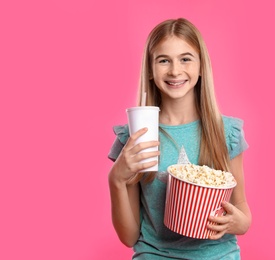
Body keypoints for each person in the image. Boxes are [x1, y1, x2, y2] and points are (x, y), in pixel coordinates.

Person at [108, 18, 251, 259]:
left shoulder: (226, 133)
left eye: (185, 59)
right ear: (151, 70)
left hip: (216, 254)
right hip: (155, 254)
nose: (175, 71)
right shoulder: (135, 137)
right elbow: (129, 237)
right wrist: (116, 180)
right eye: (164, 60)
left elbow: (242, 208)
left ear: (201, 66)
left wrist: (240, 223)